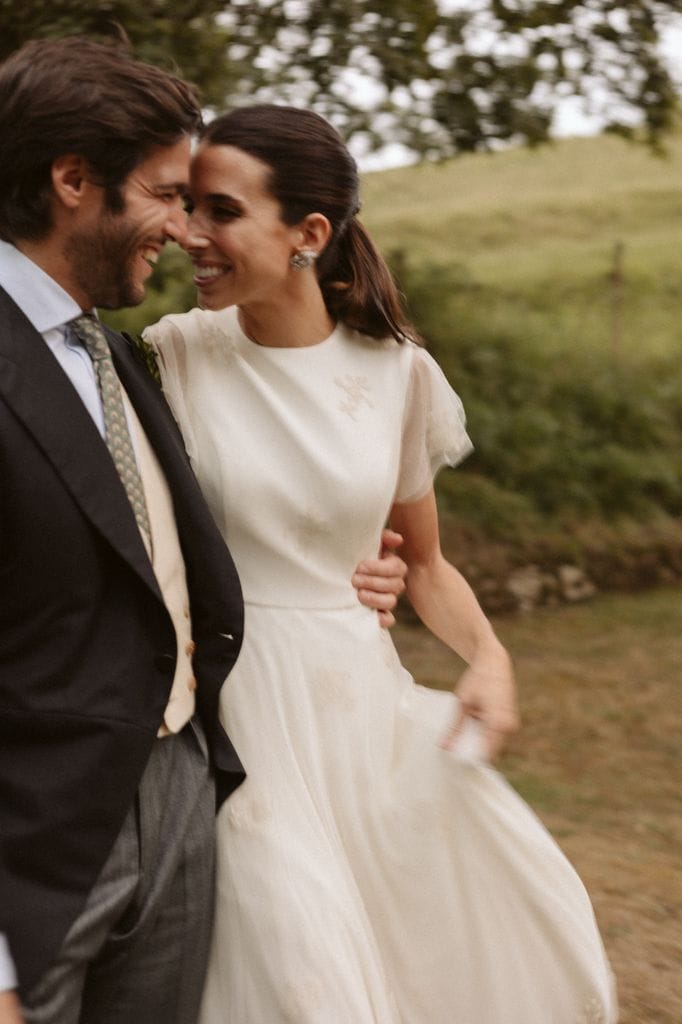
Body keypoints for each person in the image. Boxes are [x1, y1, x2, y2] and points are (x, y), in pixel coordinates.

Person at [145, 104, 619, 1024]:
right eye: (189, 207)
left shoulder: (397, 373)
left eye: (221, 212)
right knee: (299, 972)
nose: (188, 234)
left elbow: (427, 564)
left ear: (307, 235)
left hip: (361, 711)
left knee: (453, 951)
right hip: (238, 720)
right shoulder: (171, 357)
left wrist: (488, 658)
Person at [0, 41, 406, 1024]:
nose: (183, 230)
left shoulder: (121, 356)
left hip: (186, 790)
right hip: (34, 853)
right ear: (71, 182)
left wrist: (351, 569)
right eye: (168, 195)